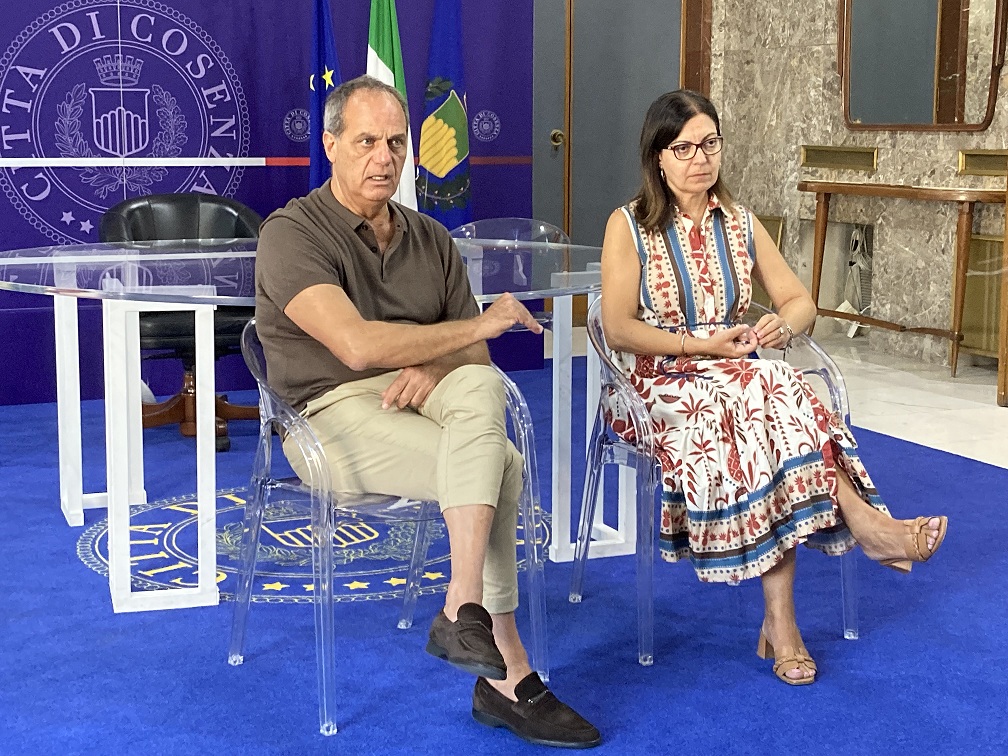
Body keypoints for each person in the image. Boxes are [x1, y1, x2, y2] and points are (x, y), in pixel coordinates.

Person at [254, 75, 600, 748]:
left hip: (424, 401)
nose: (383, 158)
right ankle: (509, 674)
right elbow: (357, 346)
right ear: (330, 145)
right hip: (326, 415)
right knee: (500, 462)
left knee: (481, 388)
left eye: (395, 142)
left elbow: (475, 359)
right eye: (365, 142)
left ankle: (461, 605)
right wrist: (475, 329)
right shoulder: (291, 233)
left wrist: (439, 362)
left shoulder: (430, 237)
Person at [600, 89, 948, 686]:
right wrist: (699, 346)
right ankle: (864, 529)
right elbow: (617, 327)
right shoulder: (628, 224)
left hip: (736, 374)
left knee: (773, 389)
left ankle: (784, 619)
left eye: (710, 144)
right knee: (767, 396)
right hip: (655, 380)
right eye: (684, 148)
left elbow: (800, 302)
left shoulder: (740, 222)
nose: (700, 159)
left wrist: (780, 326)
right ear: (658, 156)